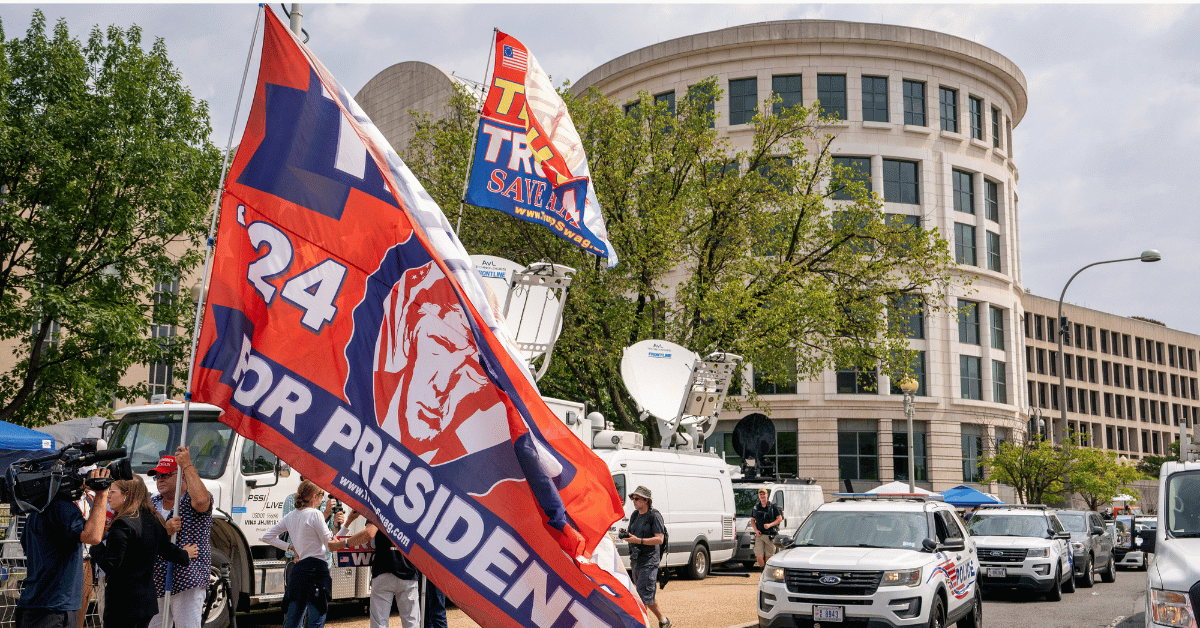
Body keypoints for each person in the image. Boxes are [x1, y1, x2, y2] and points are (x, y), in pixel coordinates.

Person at [91, 480, 199, 628]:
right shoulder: (153, 518)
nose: (108, 496)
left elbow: (111, 564)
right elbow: (166, 550)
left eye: (112, 491)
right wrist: (184, 555)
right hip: (146, 603)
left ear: (126, 495)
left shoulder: (122, 523)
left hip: (123, 605)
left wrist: (95, 544)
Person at [16, 467, 111, 628]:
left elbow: (27, 545)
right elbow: (93, 536)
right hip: (52, 608)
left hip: (45, 604)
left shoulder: (39, 508)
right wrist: (102, 494)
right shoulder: (61, 507)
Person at [261, 480, 349, 628]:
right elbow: (330, 545)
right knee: (316, 620)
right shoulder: (315, 514)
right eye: (322, 495)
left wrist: (291, 547)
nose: (323, 498)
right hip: (317, 571)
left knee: (293, 620)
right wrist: (347, 526)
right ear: (315, 496)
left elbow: (267, 537)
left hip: (299, 571)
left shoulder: (291, 516)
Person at [148, 447, 213, 628]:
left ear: (182, 476)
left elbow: (201, 502)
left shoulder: (192, 498)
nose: (160, 480)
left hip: (187, 575)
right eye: (157, 476)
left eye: (166, 475)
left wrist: (187, 464)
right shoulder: (152, 502)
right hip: (157, 576)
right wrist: (164, 530)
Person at [341, 511, 419, 628]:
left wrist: (343, 544)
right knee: (411, 623)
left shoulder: (378, 506)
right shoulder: (416, 511)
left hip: (383, 569)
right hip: (408, 571)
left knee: (379, 624)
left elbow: (369, 535)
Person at [623, 486, 670, 628]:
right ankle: (663, 621)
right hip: (636, 559)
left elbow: (660, 539)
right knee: (646, 594)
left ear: (646, 500)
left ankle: (642, 625)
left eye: (637, 498)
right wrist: (626, 535)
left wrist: (639, 541)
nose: (634, 501)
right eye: (633, 498)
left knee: (642, 597)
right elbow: (633, 534)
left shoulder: (654, 516)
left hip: (649, 561)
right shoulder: (635, 516)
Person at [751, 488, 783, 568]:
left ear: (767, 495)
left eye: (763, 494)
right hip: (760, 535)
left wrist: (770, 525)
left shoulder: (773, 506)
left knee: (768, 557)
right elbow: (752, 520)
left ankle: (767, 574)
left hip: (770, 535)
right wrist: (756, 530)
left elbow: (779, 518)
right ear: (758, 496)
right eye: (760, 494)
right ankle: (763, 573)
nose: (762, 496)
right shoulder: (756, 507)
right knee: (759, 556)